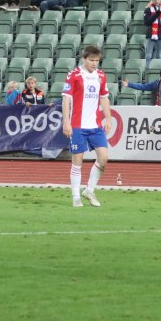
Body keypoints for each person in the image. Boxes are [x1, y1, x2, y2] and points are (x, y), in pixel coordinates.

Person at [61, 44, 113, 208]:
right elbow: (66, 100)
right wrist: (66, 122)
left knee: (103, 159)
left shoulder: (101, 75)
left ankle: (89, 190)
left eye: (97, 60)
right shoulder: (74, 75)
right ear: (84, 59)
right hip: (78, 126)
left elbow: (104, 98)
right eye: (92, 60)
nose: (94, 63)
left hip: (95, 126)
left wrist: (108, 119)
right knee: (77, 161)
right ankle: (76, 197)